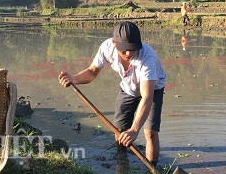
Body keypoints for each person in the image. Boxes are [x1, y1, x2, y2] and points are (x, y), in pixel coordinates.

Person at [58, 21, 166, 166]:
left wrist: (134, 130)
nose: (129, 54)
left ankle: (152, 170)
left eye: (133, 49)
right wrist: (74, 79)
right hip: (128, 87)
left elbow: (147, 96)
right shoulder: (107, 48)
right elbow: (92, 72)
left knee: (150, 132)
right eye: (124, 50)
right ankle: (122, 161)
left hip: (153, 89)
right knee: (119, 130)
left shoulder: (147, 58)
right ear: (114, 43)